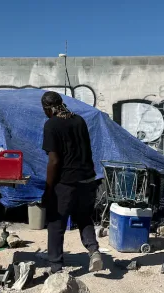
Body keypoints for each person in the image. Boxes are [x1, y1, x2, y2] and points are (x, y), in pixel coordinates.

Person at [40, 91, 103, 274]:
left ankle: (56, 267)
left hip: (66, 182)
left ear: (47, 108)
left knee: (56, 224)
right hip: (88, 179)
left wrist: (49, 189)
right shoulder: (79, 121)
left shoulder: (51, 125)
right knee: (84, 217)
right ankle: (94, 252)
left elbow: (54, 161)